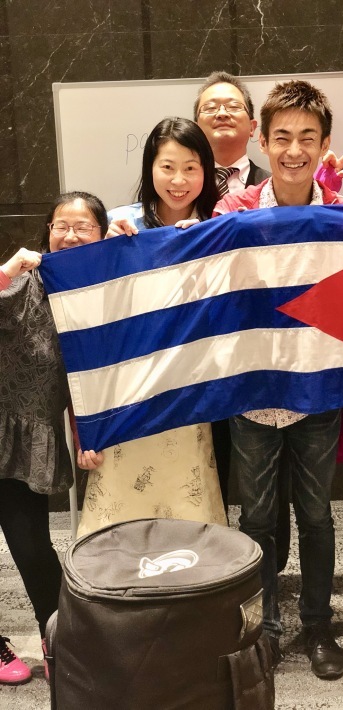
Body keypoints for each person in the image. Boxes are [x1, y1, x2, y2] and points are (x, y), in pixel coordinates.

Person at [213, 79, 343, 680]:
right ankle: (264, 626)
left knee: (316, 514)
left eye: (308, 138)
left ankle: (317, 624)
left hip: (316, 392)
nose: (295, 150)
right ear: (263, 143)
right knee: (257, 517)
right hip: (253, 394)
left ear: (323, 145)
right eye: (283, 137)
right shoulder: (232, 212)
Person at [77, 118, 226, 536]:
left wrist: (213, 248)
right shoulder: (120, 223)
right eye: (167, 167)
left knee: (186, 494)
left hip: (189, 386)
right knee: (124, 501)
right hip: (129, 386)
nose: (179, 180)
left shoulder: (218, 226)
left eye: (191, 168)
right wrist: (105, 253)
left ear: (206, 171)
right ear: (150, 169)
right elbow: (91, 308)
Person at [0, 191, 108, 685]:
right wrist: (7, 271)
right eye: (61, 226)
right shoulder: (22, 284)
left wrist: (86, 436)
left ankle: (60, 642)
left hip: (27, 440)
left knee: (33, 547)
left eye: (84, 227)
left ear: (101, 235)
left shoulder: (102, 297)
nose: (70, 235)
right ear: (46, 233)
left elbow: (85, 382)